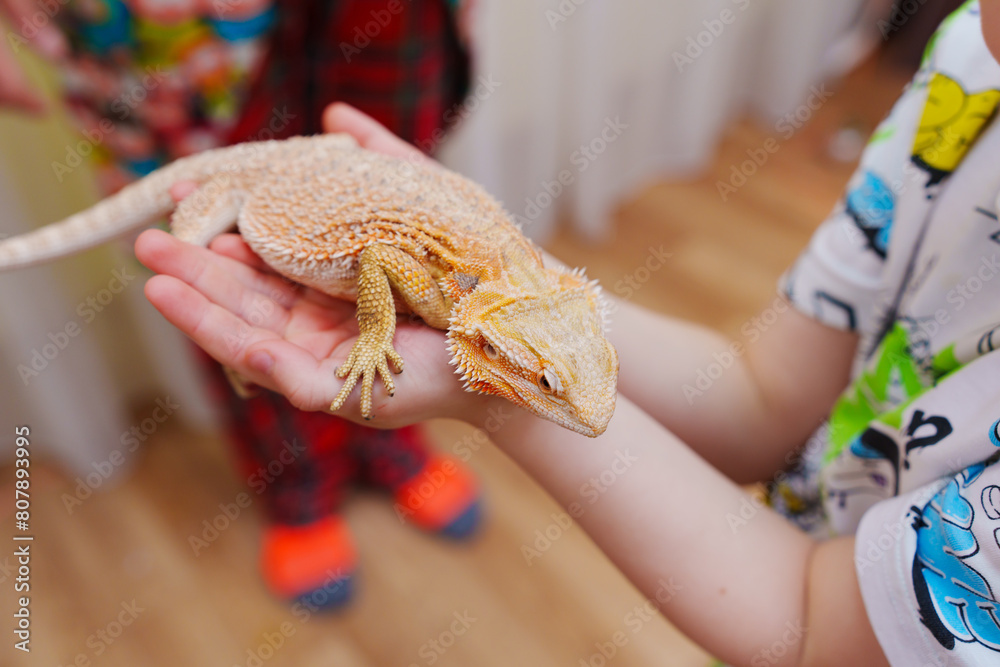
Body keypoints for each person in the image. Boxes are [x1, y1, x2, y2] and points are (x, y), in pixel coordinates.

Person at [137, 1, 1000, 664]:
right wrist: (520, 307)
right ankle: (308, 489)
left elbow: (812, 629)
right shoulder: (968, 63)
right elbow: (761, 397)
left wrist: (495, 391)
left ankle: (385, 459)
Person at [0, 0, 480, 609]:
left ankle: (393, 439)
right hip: (167, 48)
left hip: (375, 23)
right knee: (224, 281)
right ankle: (296, 484)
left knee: (390, 242)